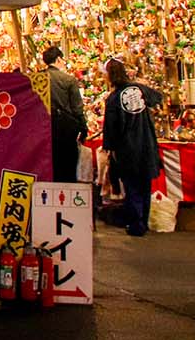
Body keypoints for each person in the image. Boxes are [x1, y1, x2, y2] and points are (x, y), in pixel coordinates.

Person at [101, 58, 163, 237]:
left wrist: (109, 149)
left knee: (132, 186)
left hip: (127, 147)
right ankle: (143, 221)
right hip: (146, 142)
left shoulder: (113, 99)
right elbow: (158, 97)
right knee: (145, 185)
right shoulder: (140, 89)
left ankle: (136, 225)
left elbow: (111, 128)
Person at [45, 46, 87, 183]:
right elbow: (77, 108)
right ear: (58, 59)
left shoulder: (39, 78)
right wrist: (83, 127)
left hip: (45, 128)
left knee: (50, 165)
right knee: (68, 165)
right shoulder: (68, 80)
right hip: (66, 128)